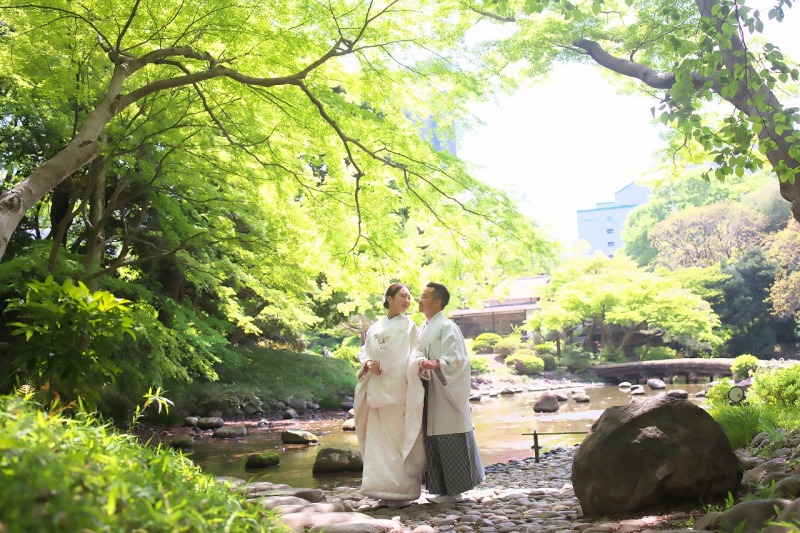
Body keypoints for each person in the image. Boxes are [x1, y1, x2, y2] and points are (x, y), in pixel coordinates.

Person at [353, 283, 426, 507]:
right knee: (378, 443)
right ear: (389, 298)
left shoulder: (410, 327)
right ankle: (381, 492)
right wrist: (367, 362)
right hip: (377, 390)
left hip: (399, 391)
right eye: (402, 296)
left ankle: (402, 493)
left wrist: (419, 363)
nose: (407, 300)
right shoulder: (375, 327)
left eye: (409, 297)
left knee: (399, 442)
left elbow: (416, 353)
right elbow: (364, 350)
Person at [414, 282, 485, 503]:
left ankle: (455, 491)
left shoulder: (447, 326)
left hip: (445, 392)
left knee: (448, 435)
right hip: (432, 390)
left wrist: (439, 365)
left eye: (424, 296)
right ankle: (443, 490)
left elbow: (458, 359)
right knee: (434, 437)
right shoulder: (424, 327)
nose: (419, 299)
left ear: (437, 302)